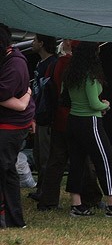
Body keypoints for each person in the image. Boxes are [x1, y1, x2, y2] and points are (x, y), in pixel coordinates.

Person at [63, 41, 112, 217]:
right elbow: (94, 103)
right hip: (90, 122)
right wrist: (105, 105)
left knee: (77, 163)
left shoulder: (71, 74)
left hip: (73, 121)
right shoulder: (90, 77)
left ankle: (76, 205)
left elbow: (66, 99)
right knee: (106, 161)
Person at [36, 39, 102, 212]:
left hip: (58, 119)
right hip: (77, 119)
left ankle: (48, 200)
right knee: (83, 160)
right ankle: (91, 197)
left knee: (56, 161)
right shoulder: (78, 68)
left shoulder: (56, 64)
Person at [0, 23, 35, 228]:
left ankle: (11, 218)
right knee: (6, 169)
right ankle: (12, 218)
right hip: (11, 120)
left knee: (5, 168)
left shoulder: (15, 63)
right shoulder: (9, 60)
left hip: (11, 125)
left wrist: (24, 102)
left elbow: (3, 93)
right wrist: (24, 100)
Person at [28, 33, 58, 200]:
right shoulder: (40, 64)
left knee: (46, 156)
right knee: (39, 155)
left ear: (41, 43)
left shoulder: (53, 64)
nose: (32, 43)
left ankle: (46, 192)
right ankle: (41, 188)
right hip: (39, 115)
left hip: (47, 117)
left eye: (34, 40)